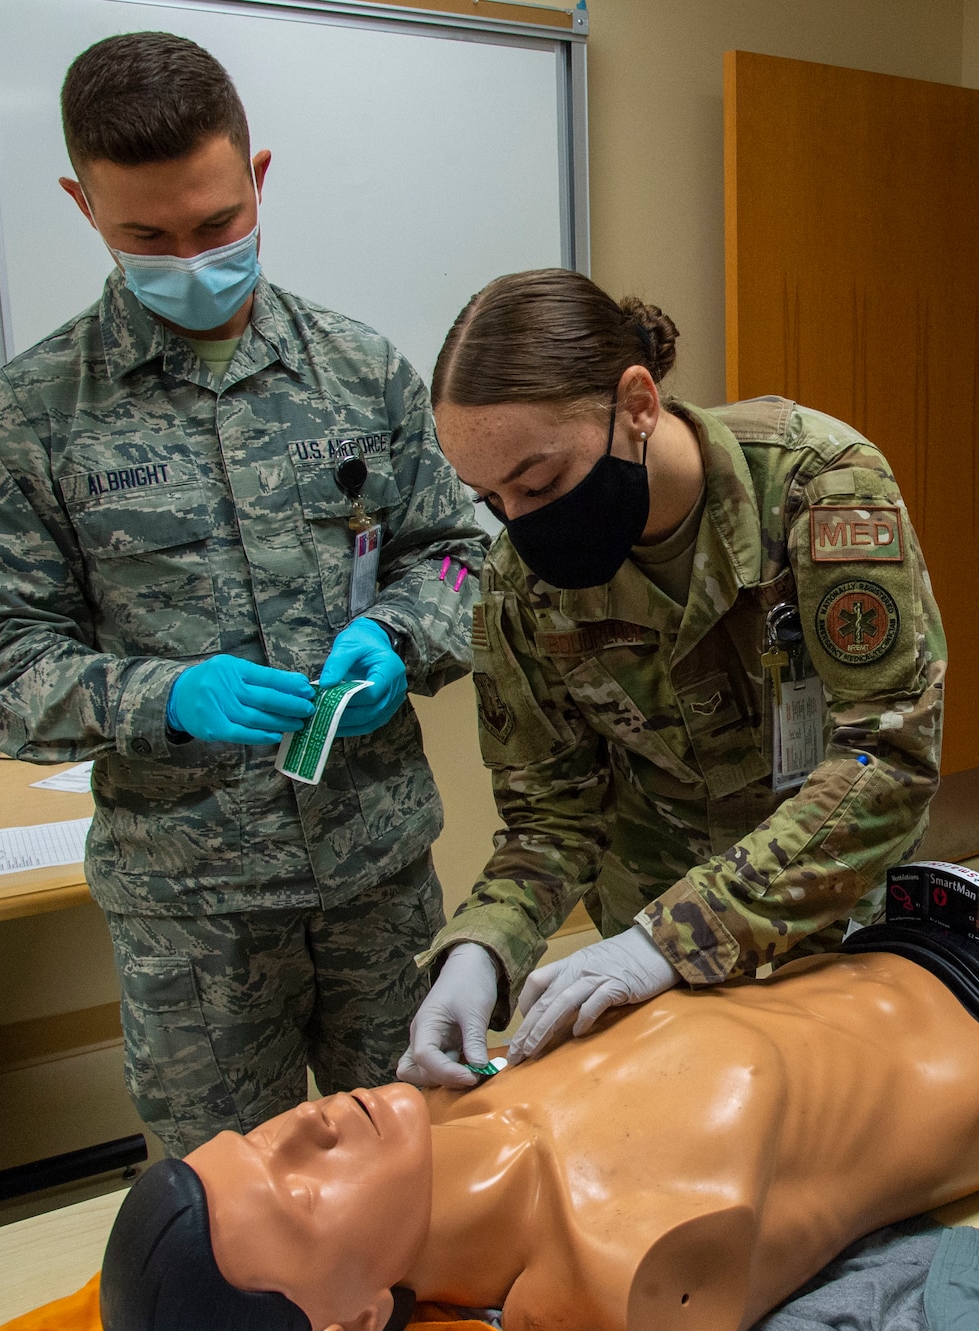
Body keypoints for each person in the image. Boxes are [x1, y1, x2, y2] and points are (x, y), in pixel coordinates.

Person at [0, 33, 485, 1156]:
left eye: (218, 223)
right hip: (190, 912)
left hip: (376, 871)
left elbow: (458, 554)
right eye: (148, 234)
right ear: (81, 203)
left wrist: (397, 631)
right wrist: (162, 695)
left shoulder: (358, 367)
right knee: (231, 1215)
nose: (191, 257)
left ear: (259, 176)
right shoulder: (34, 414)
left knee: (427, 1166)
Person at [400, 270, 947, 1081]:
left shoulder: (818, 488)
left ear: (637, 404)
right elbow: (553, 816)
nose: (521, 522)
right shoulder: (523, 585)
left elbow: (890, 757)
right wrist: (483, 945)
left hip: (825, 917)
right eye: (492, 499)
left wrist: (676, 936)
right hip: (642, 938)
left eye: (541, 481)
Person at [98, 942, 979, 1331]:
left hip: (890, 939)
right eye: (292, 1188)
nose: (304, 1122)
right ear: (357, 1317)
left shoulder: (455, 1093)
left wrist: (481, 949)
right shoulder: (625, 1265)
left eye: (261, 1134)